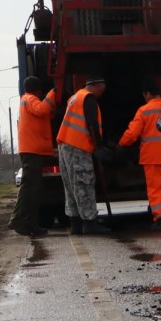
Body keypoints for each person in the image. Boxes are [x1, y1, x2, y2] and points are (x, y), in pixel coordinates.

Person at [119, 77, 161, 230]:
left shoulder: (144, 111)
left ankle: (160, 217)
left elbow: (132, 134)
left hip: (152, 157)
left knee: (155, 188)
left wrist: (121, 144)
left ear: (147, 94)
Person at [55, 76, 111, 235]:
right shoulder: (88, 98)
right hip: (78, 146)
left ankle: (76, 224)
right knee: (84, 182)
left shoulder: (75, 97)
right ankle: (90, 222)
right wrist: (98, 147)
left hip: (65, 145)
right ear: (96, 85)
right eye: (103, 89)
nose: (102, 93)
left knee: (70, 185)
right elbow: (91, 124)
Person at [7, 77, 56, 237]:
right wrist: (52, 94)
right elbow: (41, 109)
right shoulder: (30, 99)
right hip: (32, 150)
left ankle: (29, 222)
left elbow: (42, 115)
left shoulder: (26, 100)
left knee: (33, 187)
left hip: (32, 149)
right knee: (30, 187)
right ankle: (19, 219)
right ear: (38, 89)